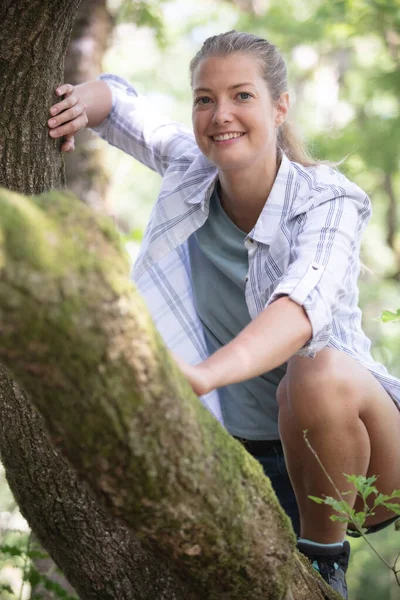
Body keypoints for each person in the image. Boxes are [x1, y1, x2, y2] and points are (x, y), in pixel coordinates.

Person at [48, 31, 400, 599]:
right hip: (246, 461)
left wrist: (203, 373)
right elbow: (117, 105)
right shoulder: (190, 170)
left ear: (280, 107)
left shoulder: (329, 202)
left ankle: (326, 559)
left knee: (314, 373)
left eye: (242, 96)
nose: (220, 114)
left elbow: (299, 310)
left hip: (357, 455)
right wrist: (75, 105)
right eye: (204, 99)